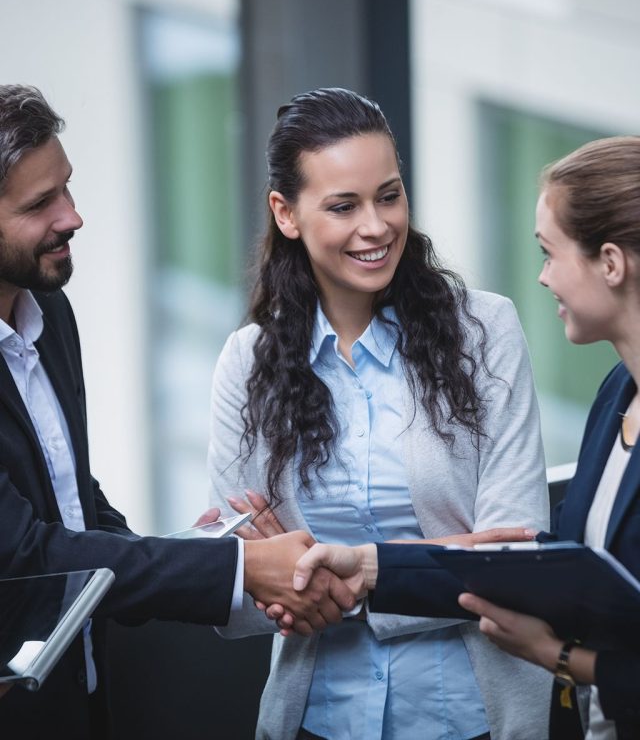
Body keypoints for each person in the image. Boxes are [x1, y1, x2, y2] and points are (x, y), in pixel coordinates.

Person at [0, 84, 354, 739]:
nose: (72, 216)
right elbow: (25, 556)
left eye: (67, 188)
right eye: (40, 203)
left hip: (78, 701)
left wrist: (205, 551)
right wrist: (242, 570)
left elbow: (72, 503)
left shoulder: (46, 311)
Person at [207, 87, 552, 740]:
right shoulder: (246, 363)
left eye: (389, 195)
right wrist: (436, 561)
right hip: (317, 721)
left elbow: (511, 560)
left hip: (469, 718)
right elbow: (239, 583)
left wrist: (339, 577)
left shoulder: (486, 332)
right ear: (287, 213)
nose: (377, 226)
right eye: (344, 206)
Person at [295, 136, 640, 740]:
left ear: (611, 263)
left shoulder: (494, 334)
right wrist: (367, 567)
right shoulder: (618, 393)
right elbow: (561, 569)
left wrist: (558, 657)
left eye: (550, 253)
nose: (542, 277)